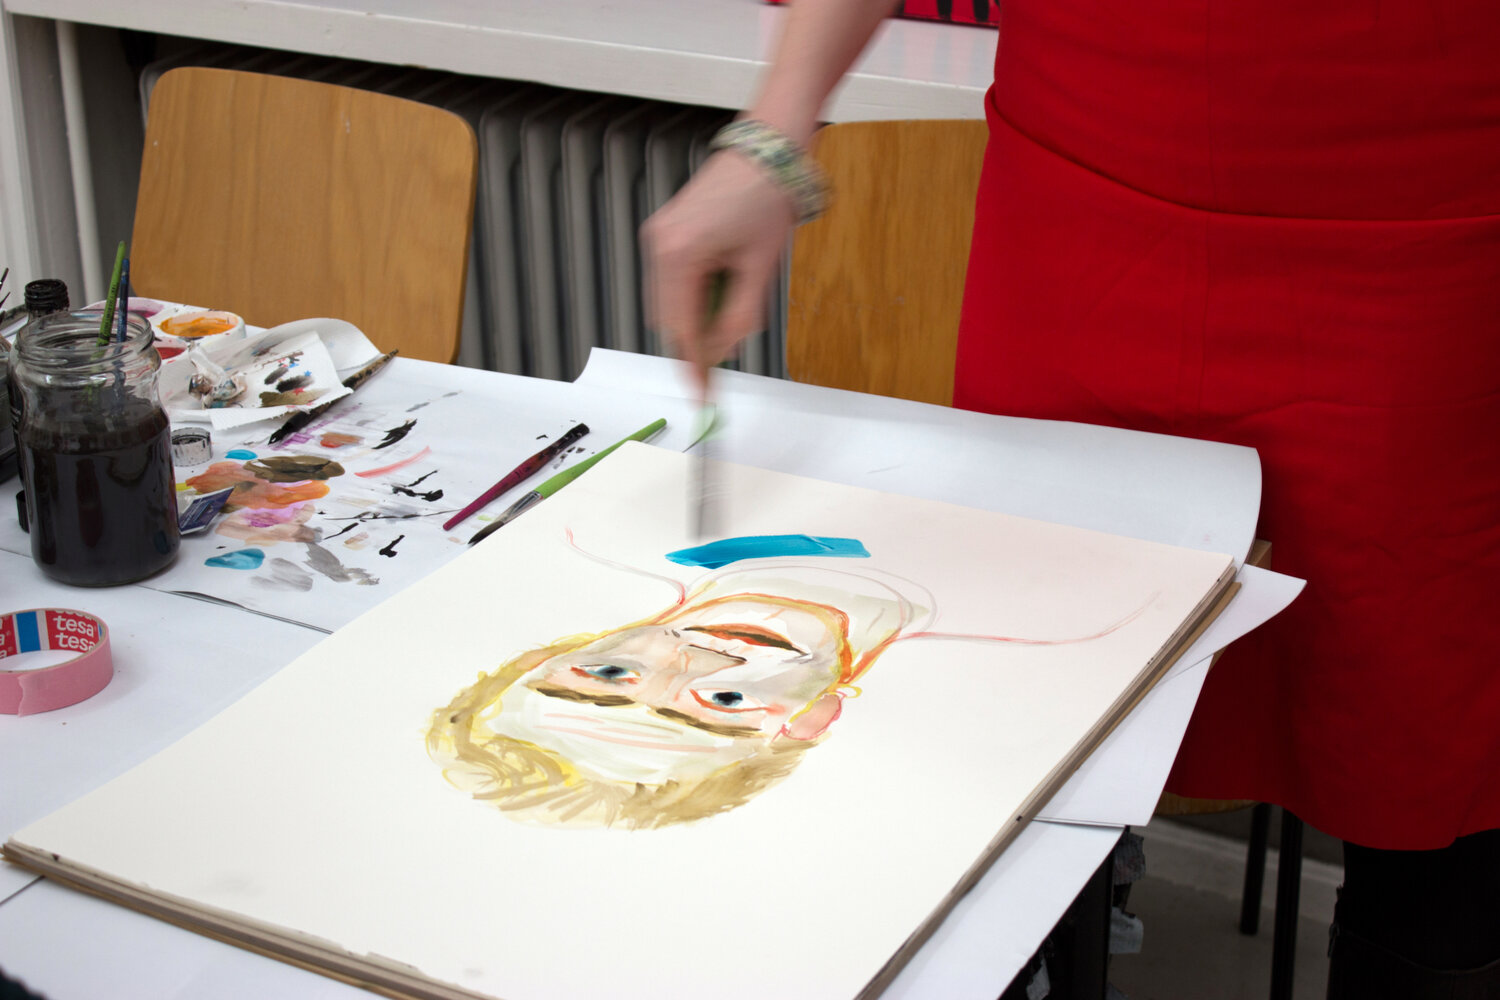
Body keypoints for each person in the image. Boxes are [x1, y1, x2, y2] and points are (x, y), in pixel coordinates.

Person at [640, 2, 1500, 995]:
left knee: (1430, 729)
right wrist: (774, 135)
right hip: (1083, 207)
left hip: (1440, 215)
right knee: (1029, 685)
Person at [428, 562, 931, 829]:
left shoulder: (598, 544)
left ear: (544, 658)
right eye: (725, 700)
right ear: (813, 719)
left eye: (609, 673)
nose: (695, 661)